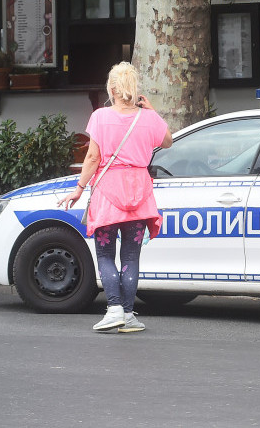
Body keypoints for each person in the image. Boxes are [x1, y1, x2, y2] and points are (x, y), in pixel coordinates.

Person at [57, 62, 173, 333]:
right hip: (139, 190)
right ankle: (129, 315)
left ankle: (114, 310)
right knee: (131, 257)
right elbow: (167, 141)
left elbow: (93, 157)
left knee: (105, 254)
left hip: (108, 191)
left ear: (111, 88)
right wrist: (153, 112)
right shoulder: (147, 118)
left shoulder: (100, 117)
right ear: (134, 89)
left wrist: (79, 188)